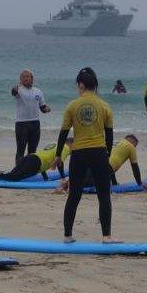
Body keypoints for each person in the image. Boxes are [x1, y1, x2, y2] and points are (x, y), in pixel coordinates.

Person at [53, 67, 118, 243]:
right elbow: (109, 135)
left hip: (79, 153)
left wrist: (58, 155)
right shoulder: (105, 106)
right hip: (99, 152)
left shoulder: (72, 106)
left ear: (81, 85)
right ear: (94, 85)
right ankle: (107, 236)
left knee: (74, 195)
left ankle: (67, 235)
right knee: (104, 195)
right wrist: (108, 155)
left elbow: (63, 133)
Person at [0, 139, 72, 183]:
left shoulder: (55, 143)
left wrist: (46, 178)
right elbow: (60, 163)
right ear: (71, 144)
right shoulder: (66, 148)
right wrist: (63, 178)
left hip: (30, 157)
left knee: (12, 174)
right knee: (14, 178)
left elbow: (45, 157)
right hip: (35, 163)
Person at [11, 69, 50, 163]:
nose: (25, 78)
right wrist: (14, 90)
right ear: (20, 79)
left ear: (32, 78)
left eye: (27, 76)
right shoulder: (18, 90)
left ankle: (29, 171)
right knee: (20, 150)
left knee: (32, 151)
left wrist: (46, 109)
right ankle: (18, 172)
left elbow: (42, 107)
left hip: (35, 123)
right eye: (23, 77)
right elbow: (13, 92)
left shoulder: (38, 91)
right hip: (21, 124)